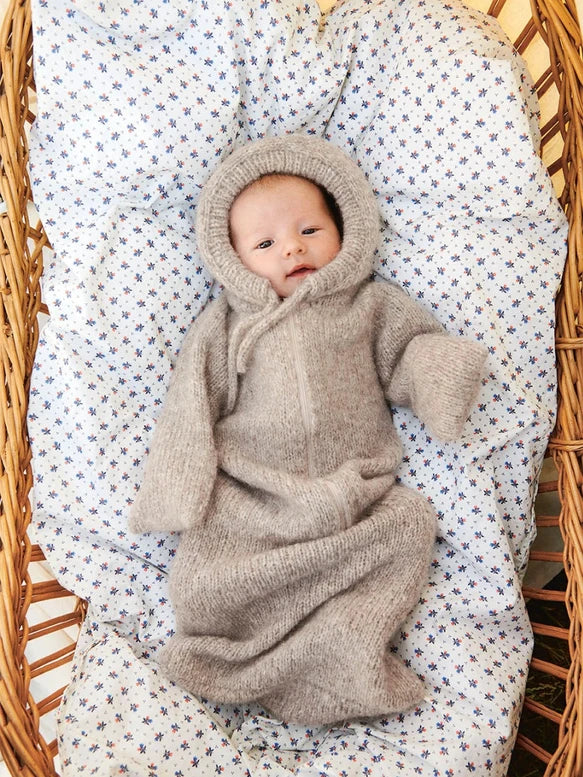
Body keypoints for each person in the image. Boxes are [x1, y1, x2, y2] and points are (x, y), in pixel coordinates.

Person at [129, 135, 487, 725]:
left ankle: (339, 649)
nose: (292, 247)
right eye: (265, 243)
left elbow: (409, 354)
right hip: (254, 498)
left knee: (411, 522)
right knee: (203, 580)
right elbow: (191, 405)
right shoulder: (227, 325)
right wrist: (174, 494)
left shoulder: (371, 306)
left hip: (355, 497)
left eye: (310, 230)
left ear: (345, 229)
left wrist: (441, 372)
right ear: (234, 259)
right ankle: (244, 653)